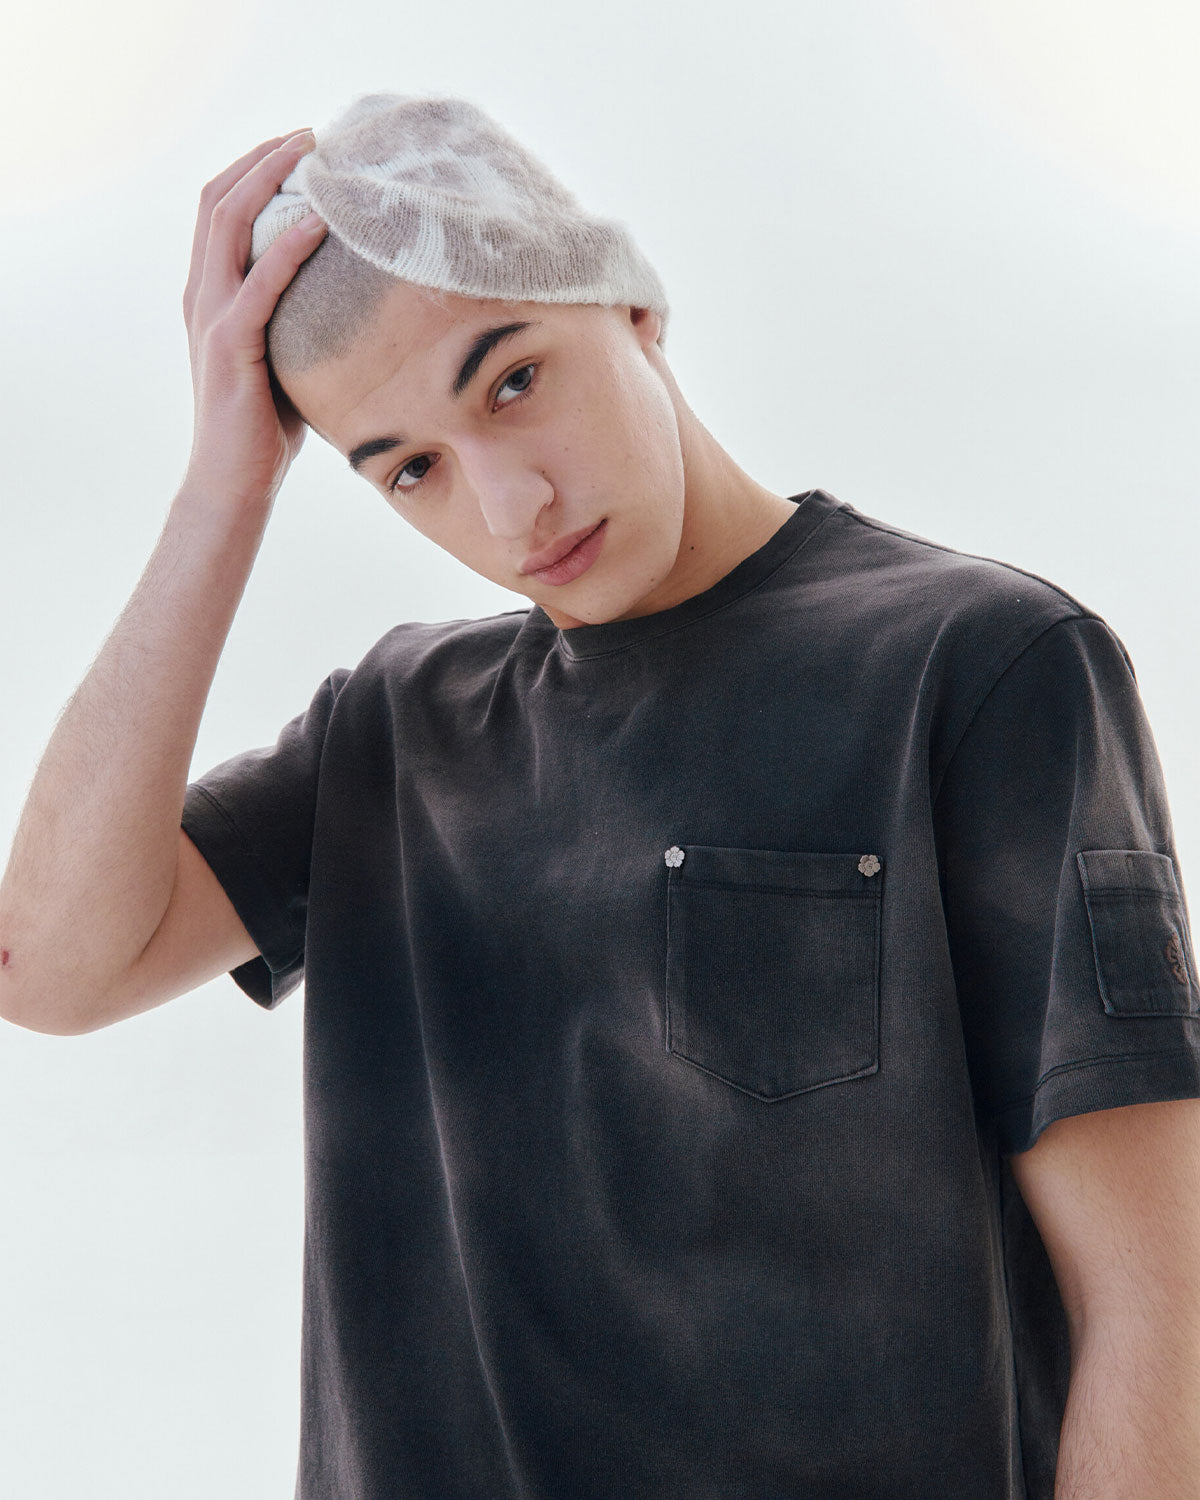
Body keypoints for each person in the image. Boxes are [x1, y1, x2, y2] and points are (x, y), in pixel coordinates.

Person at [2, 92, 1198, 1499]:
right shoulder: (391, 735)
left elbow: (1156, 1304)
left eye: (509, 380)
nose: (509, 511)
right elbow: (49, 964)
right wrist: (225, 486)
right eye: (411, 471)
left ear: (623, 303)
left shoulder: (983, 668)